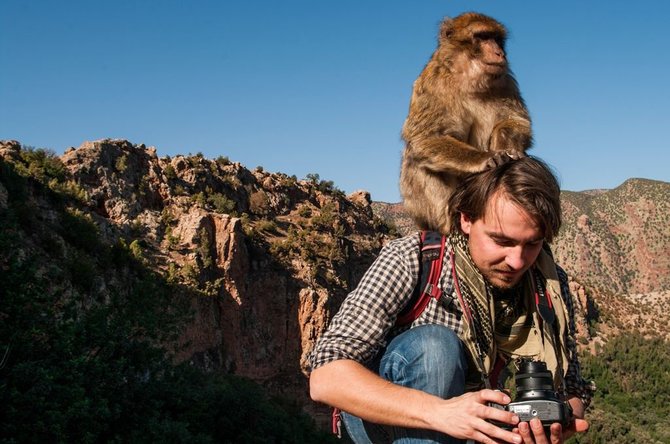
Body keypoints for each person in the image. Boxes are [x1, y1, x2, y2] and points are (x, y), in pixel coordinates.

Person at [309, 157, 594, 444]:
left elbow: (572, 385)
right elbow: (326, 377)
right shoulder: (415, 259)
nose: (517, 261)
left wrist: (558, 418)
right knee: (434, 348)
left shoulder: (548, 281)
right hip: (384, 420)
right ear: (466, 219)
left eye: (532, 243)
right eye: (502, 241)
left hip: (472, 420)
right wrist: (442, 413)